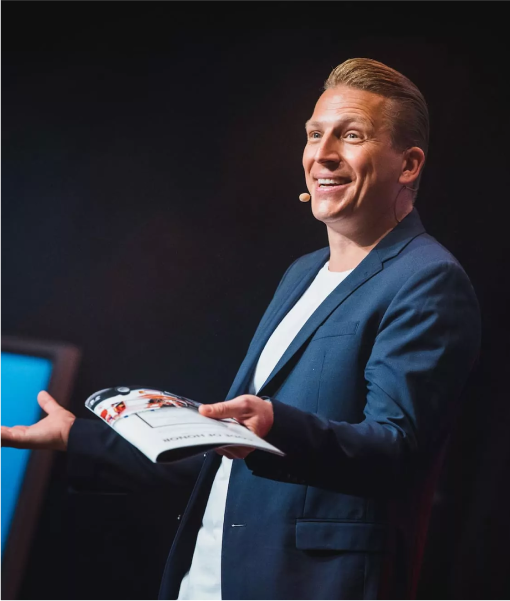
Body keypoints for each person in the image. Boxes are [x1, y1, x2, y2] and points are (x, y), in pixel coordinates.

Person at [0, 58, 481, 601]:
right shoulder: (301, 274)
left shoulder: (428, 279)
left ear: (409, 164)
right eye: (314, 134)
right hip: (204, 581)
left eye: (351, 135)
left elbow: (397, 452)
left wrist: (275, 425)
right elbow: (231, 455)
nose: (321, 154)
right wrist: (78, 438)